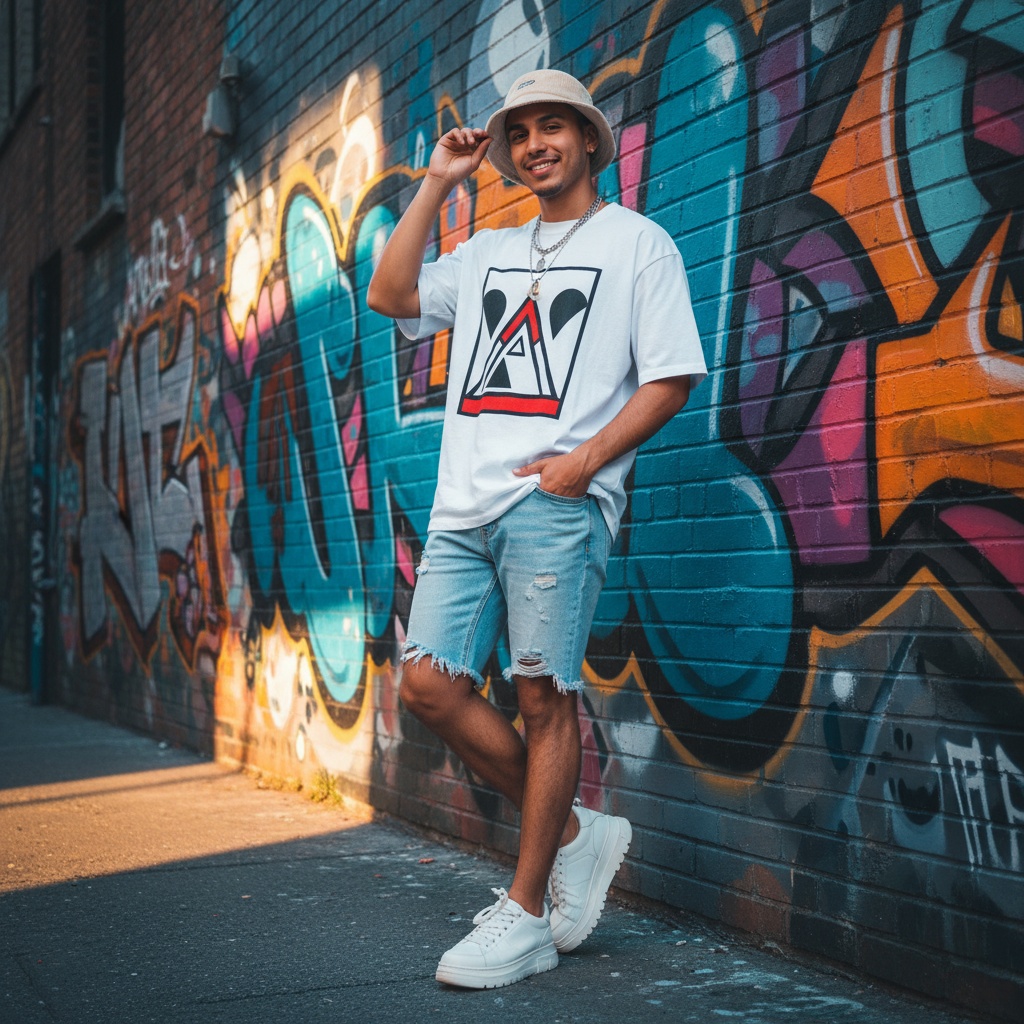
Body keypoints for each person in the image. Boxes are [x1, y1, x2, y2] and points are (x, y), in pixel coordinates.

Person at [367, 69, 706, 989]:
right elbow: (391, 295)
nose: (534, 146)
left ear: (589, 139)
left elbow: (671, 376)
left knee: (542, 698)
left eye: (553, 128)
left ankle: (523, 916)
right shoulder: (488, 250)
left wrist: (583, 463)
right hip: (461, 509)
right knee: (429, 686)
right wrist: (437, 182)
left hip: (555, 504)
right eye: (520, 135)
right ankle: (576, 835)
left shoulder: (638, 244)